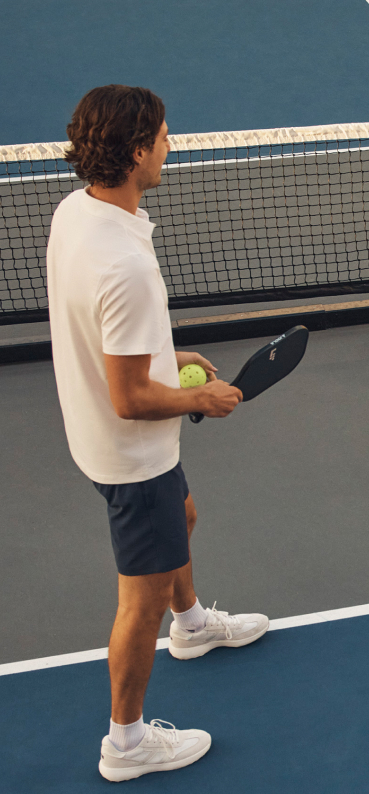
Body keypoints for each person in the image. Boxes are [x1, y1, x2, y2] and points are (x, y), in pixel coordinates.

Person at [47, 85, 270, 782]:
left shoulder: (75, 212)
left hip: (91, 433)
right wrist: (198, 393)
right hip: (129, 456)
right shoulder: (129, 266)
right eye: (166, 136)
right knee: (136, 606)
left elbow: (108, 349)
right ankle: (127, 743)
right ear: (138, 152)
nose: (171, 144)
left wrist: (173, 365)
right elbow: (130, 396)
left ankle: (195, 627)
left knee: (185, 513)